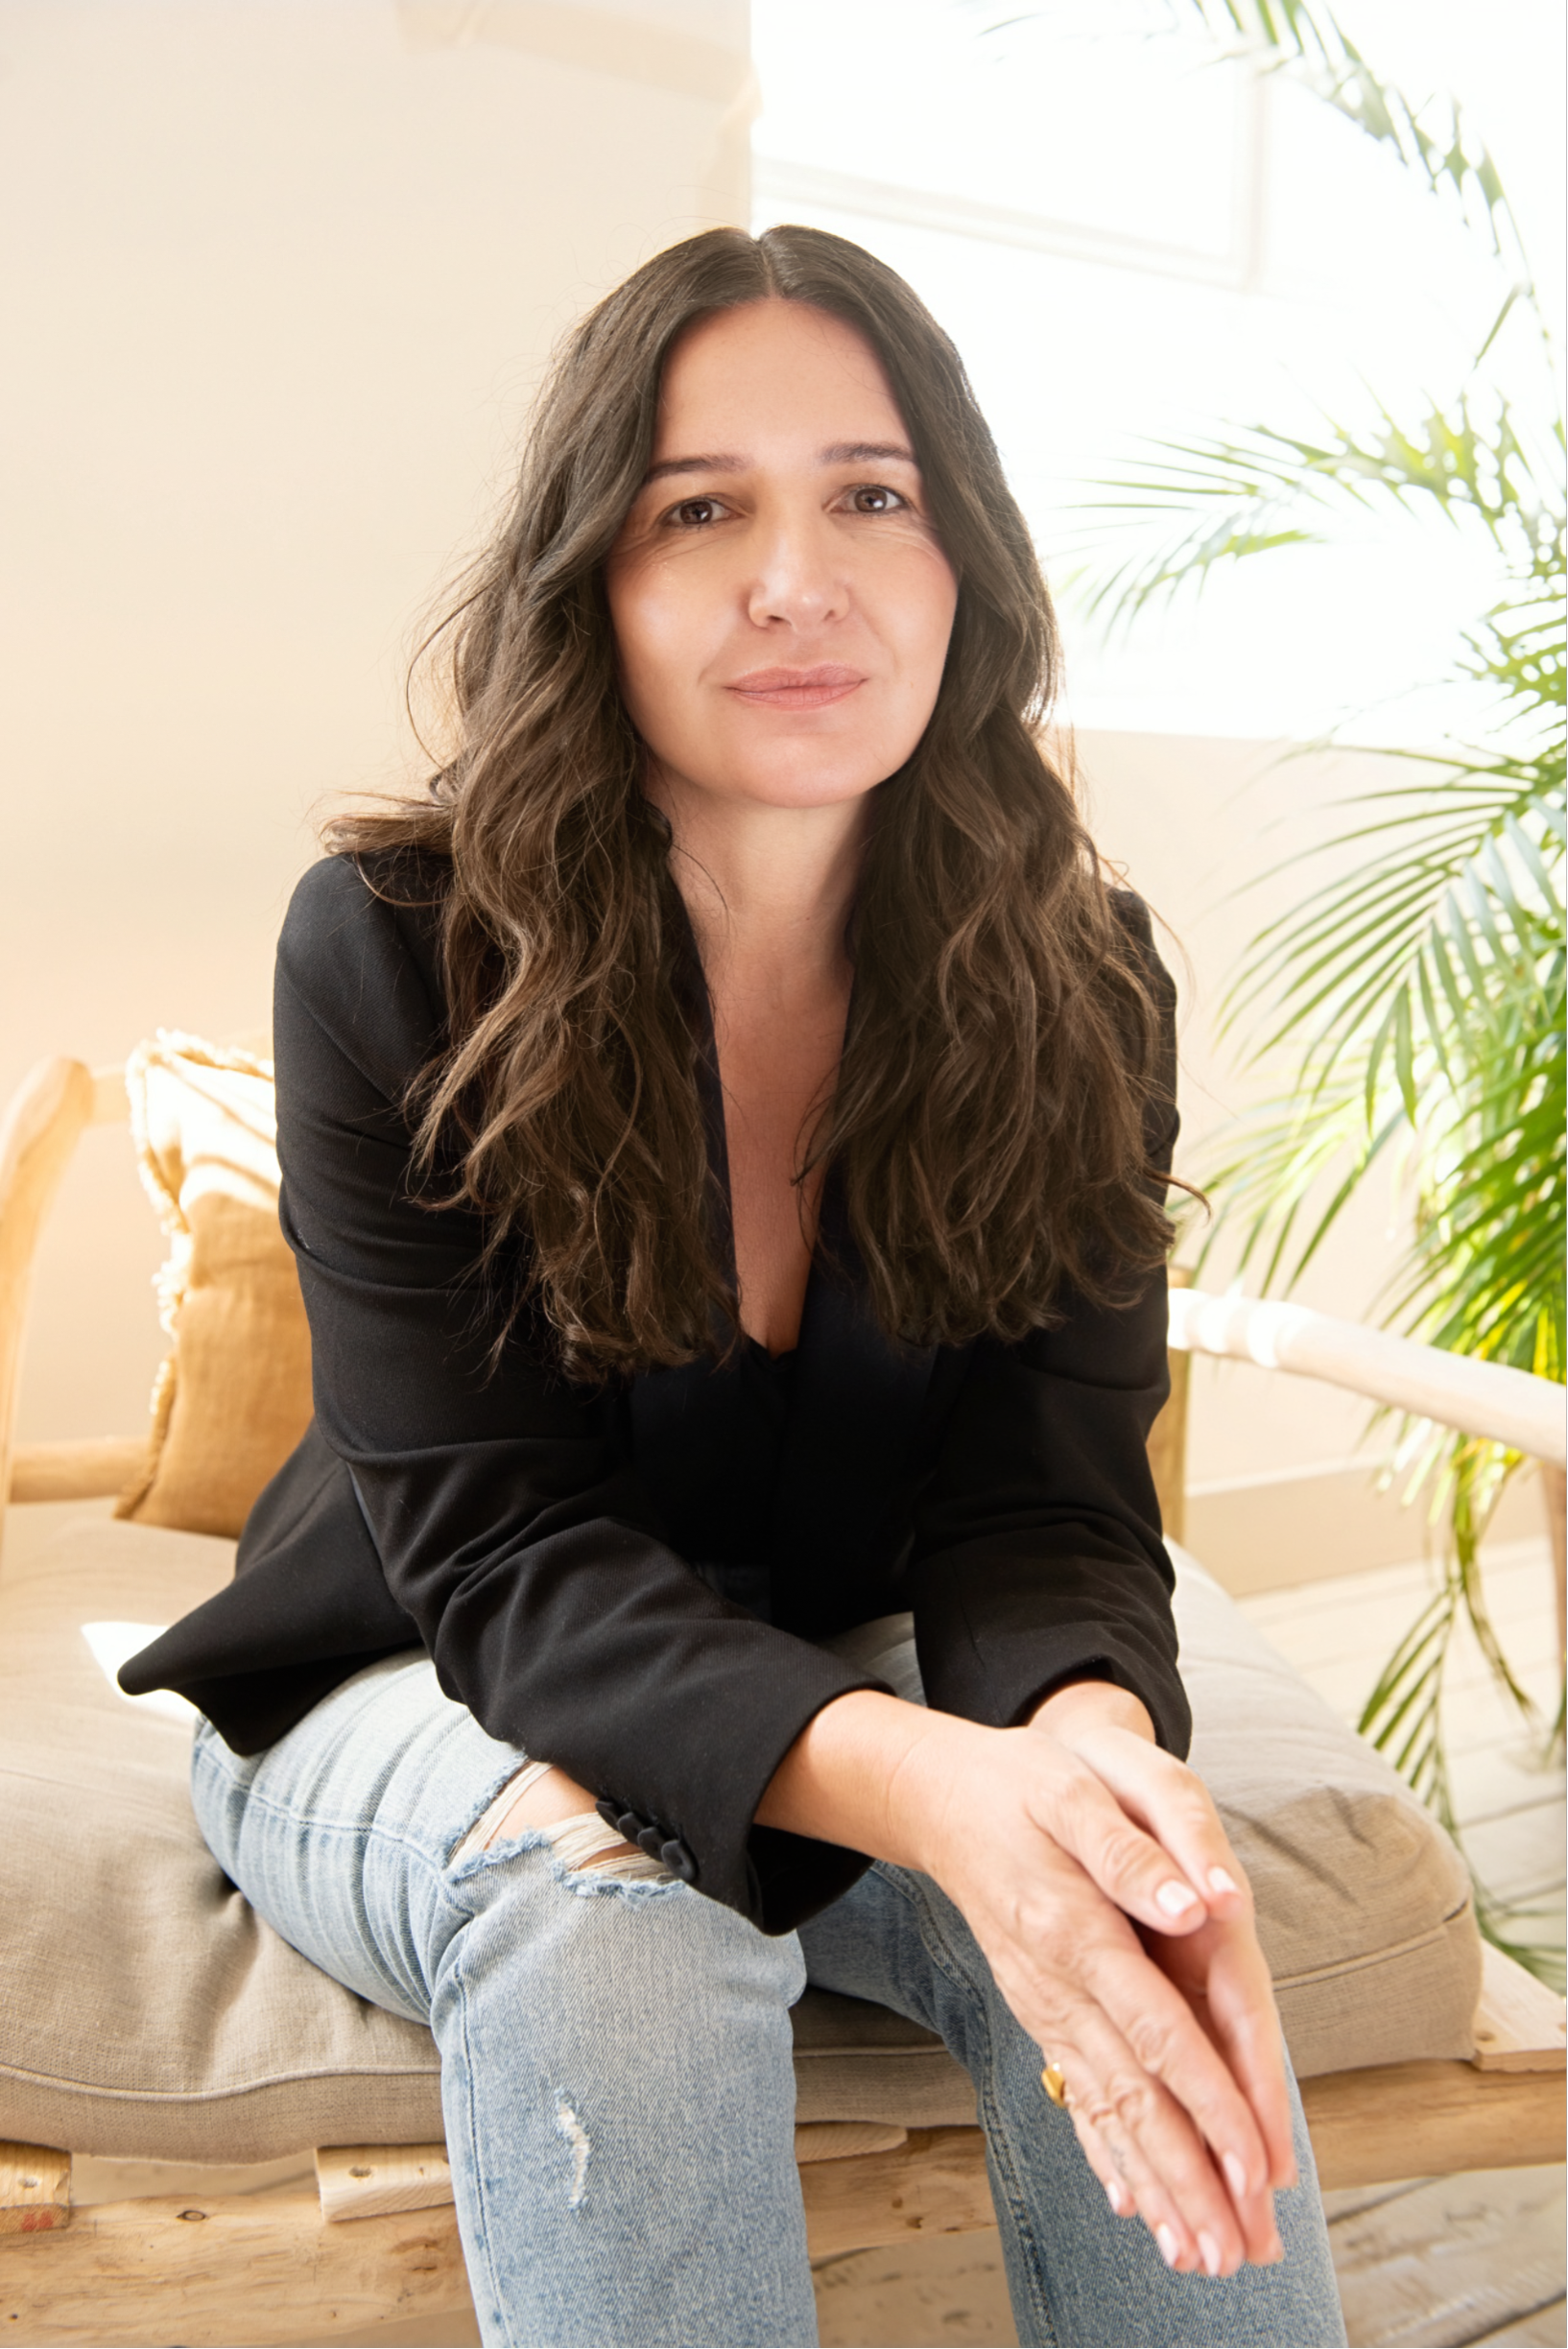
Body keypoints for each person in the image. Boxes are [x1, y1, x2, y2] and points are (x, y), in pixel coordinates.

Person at [122, 225, 1346, 2348]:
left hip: (829, 1646)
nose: (798, 578)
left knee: (1121, 1884)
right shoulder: (393, 944)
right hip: (414, 1667)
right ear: (591, 582)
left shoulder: (1079, 978)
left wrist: (1080, 1760)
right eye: (700, 511)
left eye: (872, 494)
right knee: (613, 1919)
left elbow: (1043, 1498)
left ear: (965, 567)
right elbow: (501, 1556)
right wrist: (931, 1783)